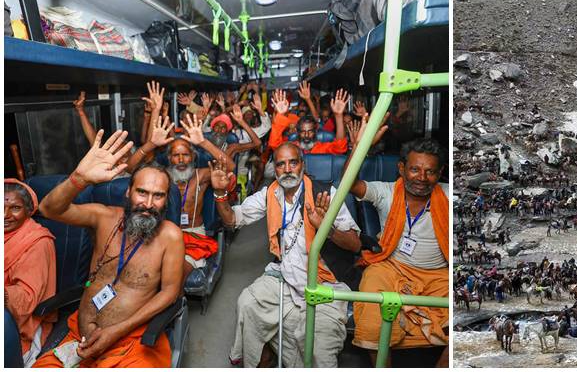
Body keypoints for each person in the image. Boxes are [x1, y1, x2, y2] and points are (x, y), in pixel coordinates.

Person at [34, 131, 183, 367]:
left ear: (166, 201)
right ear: (128, 192)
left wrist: (115, 331)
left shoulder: (171, 236)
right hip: (79, 336)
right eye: (142, 192)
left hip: (131, 341)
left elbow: (169, 293)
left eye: (158, 196)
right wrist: (79, 179)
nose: (148, 203)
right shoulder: (103, 218)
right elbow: (49, 209)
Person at [213, 142, 360, 366]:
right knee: (247, 303)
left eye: (293, 162)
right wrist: (220, 193)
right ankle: (262, 358)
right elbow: (232, 220)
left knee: (318, 349)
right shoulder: (271, 194)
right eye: (281, 164)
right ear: (275, 169)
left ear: (302, 165)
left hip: (325, 282)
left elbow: (355, 245)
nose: (288, 169)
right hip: (285, 275)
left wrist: (325, 227)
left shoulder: (325, 194)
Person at [348, 140, 450, 365]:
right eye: (415, 169)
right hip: (390, 267)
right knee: (373, 308)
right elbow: (350, 184)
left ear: (440, 173)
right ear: (402, 168)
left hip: (438, 275)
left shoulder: (449, 196)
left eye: (430, 172)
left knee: (466, 316)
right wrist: (360, 146)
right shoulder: (385, 191)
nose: (422, 178)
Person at [130, 109, 234, 291]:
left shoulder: (201, 175)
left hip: (193, 234)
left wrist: (202, 141)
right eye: (175, 155)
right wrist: (151, 143)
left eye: (185, 154)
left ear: (193, 156)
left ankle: (172, 310)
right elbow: (131, 169)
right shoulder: (162, 177)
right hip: (164, 232)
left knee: (177, 274)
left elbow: (230, 165)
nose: (181, 159)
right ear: (169, 158)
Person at [5, 179, 56, 365]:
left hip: (20, 324)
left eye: (15, 208)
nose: (5, 214)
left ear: (28, 211)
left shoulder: (38, 242)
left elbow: (27, 298)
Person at [267, 89, 349, 155]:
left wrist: (338, 116)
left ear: (316, 131)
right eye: (303, 132)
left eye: (310, 132)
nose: (306, 135)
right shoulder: (292, 148)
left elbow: (340, 148)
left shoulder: (322, 148)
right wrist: (280, 115)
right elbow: (275, 145)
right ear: (298, 132)